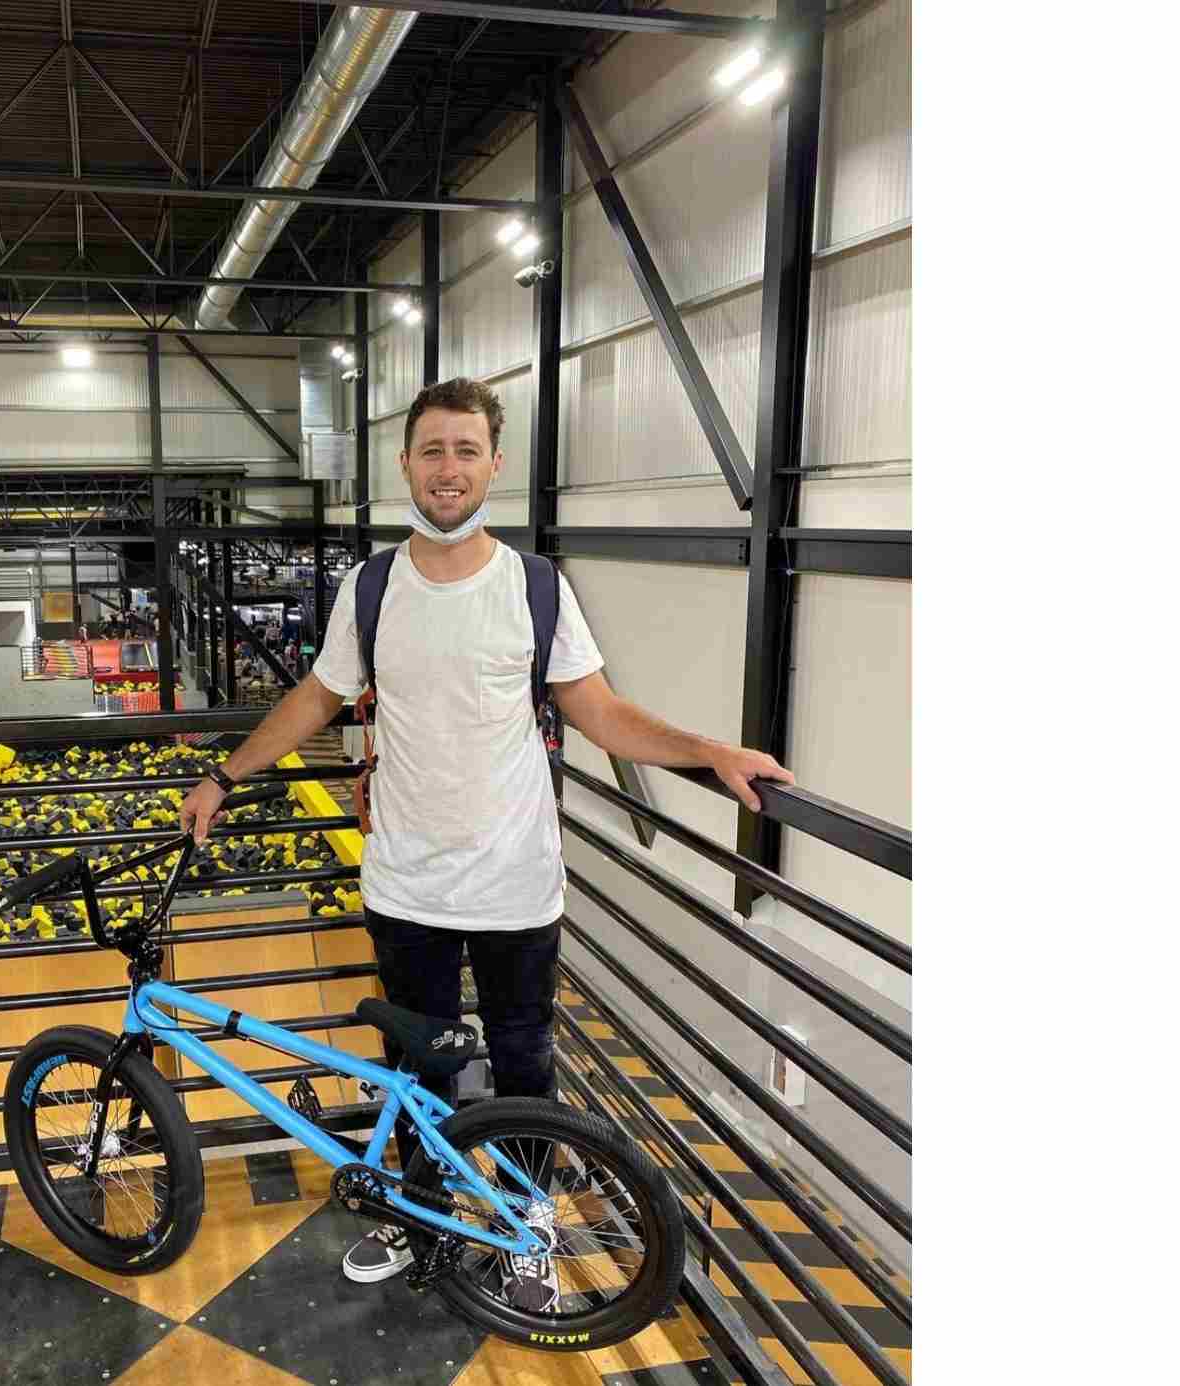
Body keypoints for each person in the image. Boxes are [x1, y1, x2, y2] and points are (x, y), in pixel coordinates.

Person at [178, 377, 792, 1308]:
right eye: (433, 450)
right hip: (406, 884)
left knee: (523, 1067)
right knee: (414, 1064)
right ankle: (421, 1213)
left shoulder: (536, 586)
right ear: (406, 465)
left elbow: (600, 714)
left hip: (515, 882)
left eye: (466, 450)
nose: (449, 468)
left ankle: (525, 1223)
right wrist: (224, 776)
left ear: (494, 465)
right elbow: (317, 697)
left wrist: (710, 752)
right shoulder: (372, 586)